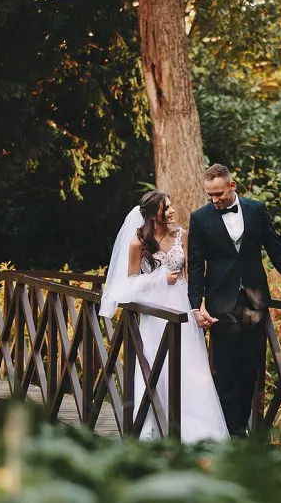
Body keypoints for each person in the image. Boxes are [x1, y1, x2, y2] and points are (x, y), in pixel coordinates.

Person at [187, 164, 281, 438]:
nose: (215, 200)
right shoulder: (199, 218)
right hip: (221, 303)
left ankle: (239, 426)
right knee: (225, 371)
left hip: (255, 302)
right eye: (210, 195)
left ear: (232, 186)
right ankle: (231, 432)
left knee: (250, 369)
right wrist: (195, 306)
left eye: (219, 194)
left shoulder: (256, 210)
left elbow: (276, 250)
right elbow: (195, 265)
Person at [98, 190, 229, 444]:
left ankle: (197, 430)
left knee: (189, 365)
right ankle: (152, 426)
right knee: (154, 365)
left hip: (180, 307)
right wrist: (159, 278)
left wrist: (198, 307)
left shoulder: (182, 235)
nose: (170, 211)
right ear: (152, 216)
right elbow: (129, 285)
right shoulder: (138, 242)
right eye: (164, 208)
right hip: (155, 311)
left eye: (170, 206)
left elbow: (192, 278)